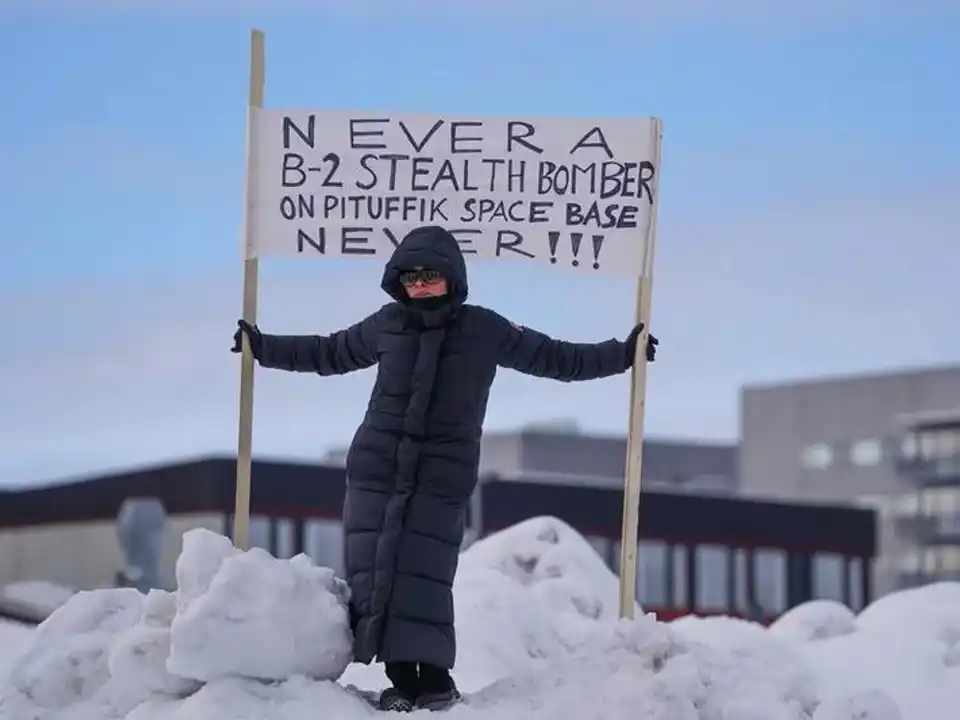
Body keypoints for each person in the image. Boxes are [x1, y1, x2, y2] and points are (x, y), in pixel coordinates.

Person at [231, 225, 658, 712]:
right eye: (411, 277)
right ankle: (400, 679)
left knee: (425, 574)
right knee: (375, 574)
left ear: (453, 278)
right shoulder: (386, 325)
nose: (421, 286)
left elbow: (555, 357)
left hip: (440, 473)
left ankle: (432, 680)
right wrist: (262, 347)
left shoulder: (483, 329)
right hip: (377, 469)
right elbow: (328, 351)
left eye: (431, 276)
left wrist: (623, 355)